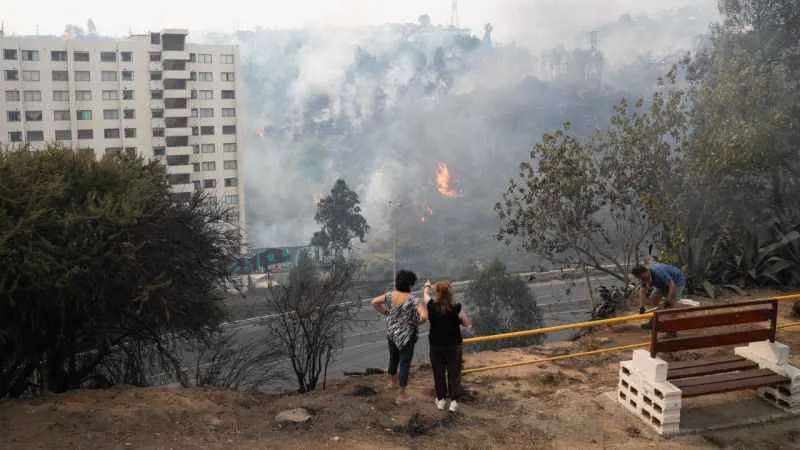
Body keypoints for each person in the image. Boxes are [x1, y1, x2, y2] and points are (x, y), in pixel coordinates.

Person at [371, 269, 428, 404]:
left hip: (392, 332)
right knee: (404, 363)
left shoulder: (389, 295)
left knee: (393, 357)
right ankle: (402, 395)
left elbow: (374, 302)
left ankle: (392, 382)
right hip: (407, 336)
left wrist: (387, 313)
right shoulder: (413, 300)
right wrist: (416, 323)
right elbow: (424, 317)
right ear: (410, 284)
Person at [423, 279, 471, 413]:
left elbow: (425, 295)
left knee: (438, 373)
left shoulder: (431, 306)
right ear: (451, 293)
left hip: (436, 346)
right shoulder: (456, 307)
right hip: (453, 346)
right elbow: (466, 323)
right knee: (454, 373)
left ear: (437, 293)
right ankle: (454, 402)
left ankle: (441, 400)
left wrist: (427, 286)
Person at [631, 263, 687, 334]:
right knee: (653, 300)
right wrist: (642, 307)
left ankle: (672, 331)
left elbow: (672, 285)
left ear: (646, 271)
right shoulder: (643, 277)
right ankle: (653, 322)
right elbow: (642, 291)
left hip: (677, 282)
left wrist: (669, 300)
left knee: (671, 307)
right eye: (640, 278)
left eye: (643, 278)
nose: (643, 280)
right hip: (662, 284)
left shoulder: (659, 272)